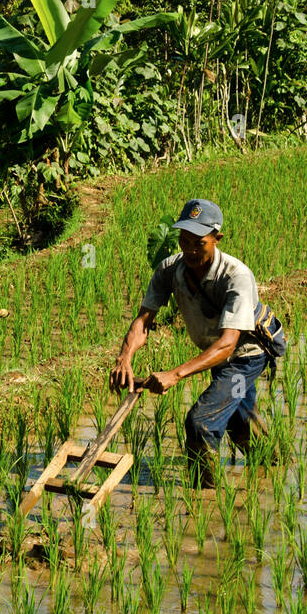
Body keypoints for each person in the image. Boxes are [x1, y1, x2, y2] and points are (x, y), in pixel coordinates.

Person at [110, 198, 273, 489]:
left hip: (243, 356)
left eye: (199, 243)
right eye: (185, 241)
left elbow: (228, 344)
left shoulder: (236, 276)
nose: (191, 250)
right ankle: (271, 469)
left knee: (201, 423)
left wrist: (175, 374)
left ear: (216, 239)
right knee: (240, 422)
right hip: (217, 354)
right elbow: (144, 320)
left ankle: (204, 497)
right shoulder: (170, 269)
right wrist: (125, 357)